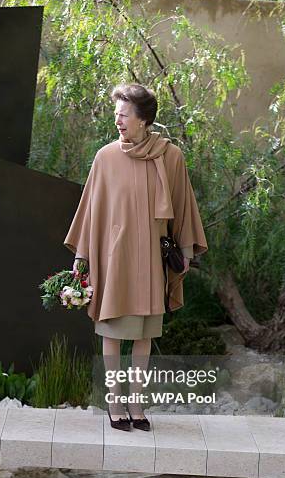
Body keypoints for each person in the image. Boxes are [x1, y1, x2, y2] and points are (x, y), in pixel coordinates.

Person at [64, 83, 208, 431]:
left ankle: (137, 403)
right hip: (113, 260)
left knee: (144, 334)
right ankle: (114, 401)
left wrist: (186, 252)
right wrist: (81, 259)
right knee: (112, 330)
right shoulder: (105, 157)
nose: (118, 120)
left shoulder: (170, 156)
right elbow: (90, 213)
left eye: (124, 114)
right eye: (116, 114)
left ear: (144, 119)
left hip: (151, 260)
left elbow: (183, 205)